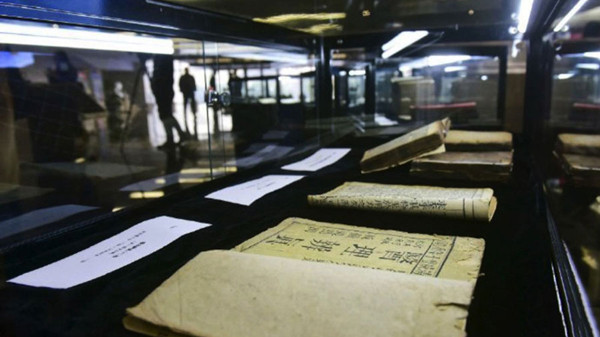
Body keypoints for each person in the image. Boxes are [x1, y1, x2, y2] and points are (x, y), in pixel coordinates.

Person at [151, 55, 186, 149]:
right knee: (166, 115)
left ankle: (174, 137)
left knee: (165, 115)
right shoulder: (165, 62)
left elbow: (160, 78)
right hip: (164, 91)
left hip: (163, 91)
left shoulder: (162, 62)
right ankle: (176, 136)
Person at [178, 68, 197, 137]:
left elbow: (193, 84)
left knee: (190, 104)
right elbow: (180, 84)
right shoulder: (186, 77)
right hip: (187, 92)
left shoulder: (188, 77)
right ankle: (188, 113)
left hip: (188, 92)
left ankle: (193, 112)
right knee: (186, 104)